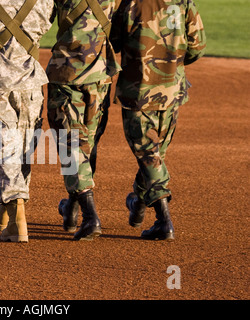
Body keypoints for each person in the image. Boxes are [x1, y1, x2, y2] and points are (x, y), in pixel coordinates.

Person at [110, 0, 206, 240]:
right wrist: (173, 63)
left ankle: (164, 220)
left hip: (138, 90)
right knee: (155, 154)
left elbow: (114, 42)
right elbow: (197, 46)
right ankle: (139, 202)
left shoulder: (130, 2)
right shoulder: (184, 2)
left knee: (147, 154)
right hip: (172, 90)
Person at [0, 0, 54, 243]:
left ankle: (16, 208)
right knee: (23, 148)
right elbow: (46, 25)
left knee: (1, 147)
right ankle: (6, 210)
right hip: (31, 82)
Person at [46, 0, 121, 241]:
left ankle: (90, 216)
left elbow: (37, 20)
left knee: (71, 145)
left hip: (66, 73)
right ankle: (72, 209)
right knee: (86, 143)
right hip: (100, 76)